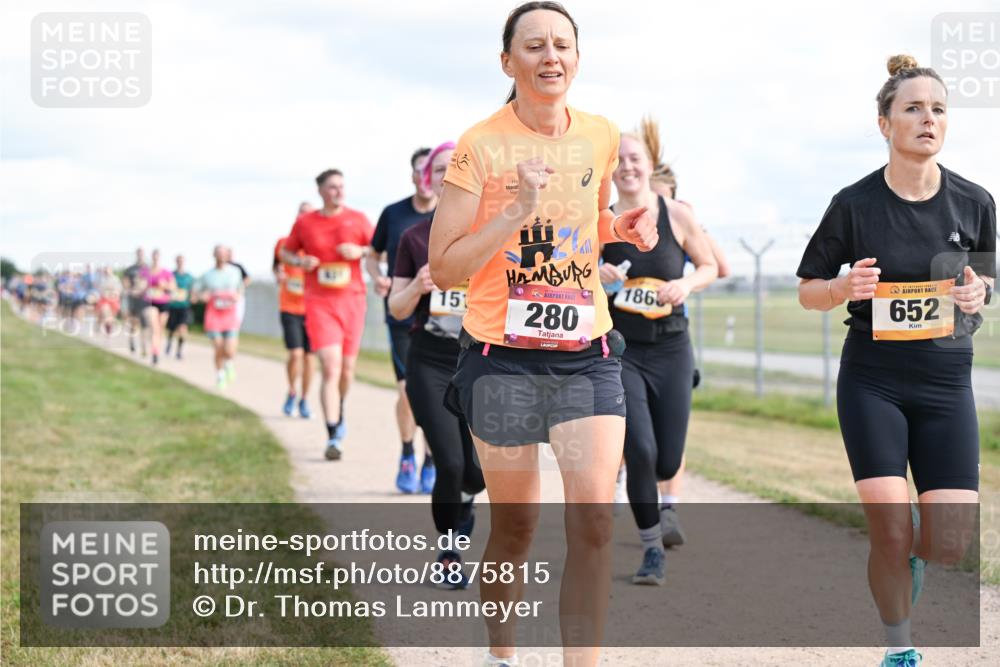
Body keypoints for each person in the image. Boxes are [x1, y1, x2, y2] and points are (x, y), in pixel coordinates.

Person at [428, 4, 657, 665]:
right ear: (508, 62)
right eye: (534, 46)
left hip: (588, 357)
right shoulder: (481, 144)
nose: (550, 55)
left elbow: (590, 218)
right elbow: (446, 265)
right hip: (502, 361)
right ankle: (501, 653)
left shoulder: (600, 134)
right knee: (518, 525)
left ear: (578, 58)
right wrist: (516, 213)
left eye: (562, 44)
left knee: (592, 521)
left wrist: (623, 227)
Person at [797, 55, 993, 667]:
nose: (927, 119)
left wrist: (978, 293)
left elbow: (986, 283)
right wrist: (840, 288)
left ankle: (913, 550)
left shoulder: (975, 201)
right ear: (884, 123)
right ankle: (900, 647)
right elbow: (807, 288)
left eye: (937, 109)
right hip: (873, 383)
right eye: (912, 108)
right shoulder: (853, 204)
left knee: (949, 543)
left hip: (945, 385)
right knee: (888, 526)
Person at [601, 117, 717, 584]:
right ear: (610, 170)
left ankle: (651, 495)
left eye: (635, 159)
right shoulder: (600, 222)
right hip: (621, 351)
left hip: (671, 348)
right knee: (642, 450)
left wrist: (685, 283)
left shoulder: (677, 215)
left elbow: (709, 264)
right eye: (620, 161)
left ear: (650, 166)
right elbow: (569, 279)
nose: (627, 167)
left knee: (668, 459)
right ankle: (652, 550)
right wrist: (596, 276)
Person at [389, 141, 485, 583]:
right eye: (441, 170)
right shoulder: (413, 237)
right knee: (449, 462)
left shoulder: (490, 232)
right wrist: (419, 288)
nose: (450, 177)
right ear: (429, 180)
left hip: (483, 363)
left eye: (457, 169)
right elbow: (396, 308)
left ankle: (463, 498)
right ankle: (448, 554)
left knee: (478, 473)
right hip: (430, 361)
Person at [282, 169, 374, 461]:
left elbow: (378, 251)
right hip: (319, 301)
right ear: (320, 190)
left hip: (353, 300)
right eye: (332, 187)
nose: (338, 191)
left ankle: (340, 406)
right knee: (330, 365)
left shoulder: (358, 218)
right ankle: (333, 433)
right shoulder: (305, 222)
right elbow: (286, 253)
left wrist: (359, 251)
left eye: (341, 186)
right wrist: (300, 260)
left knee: (347, 369)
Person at [367, 147, 438, 494]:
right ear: (415, 176)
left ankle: (431, 459)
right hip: (402, 313)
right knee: (408, 390)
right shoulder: (393, 214)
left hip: (442, 317)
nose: (428, 178)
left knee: (437, 393)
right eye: (422, 171)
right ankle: (408, 452)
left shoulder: (451, 215)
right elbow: (372, 254)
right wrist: (376, 277)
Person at [275, 228, 315, 419]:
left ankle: (304, 399)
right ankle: (292, 391)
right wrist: (278, 275)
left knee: (309, 358)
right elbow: (276, 266)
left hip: (314, 309)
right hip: (290, 307)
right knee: (296, 354)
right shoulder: (284, 242)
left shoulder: (318, 243)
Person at [195, 245, 245, 388]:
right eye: (219, 254)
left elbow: (241, 288)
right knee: (218, 347)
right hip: (214, 315)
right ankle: (220, 375)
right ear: (214, 255)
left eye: (224, 254)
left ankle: (229, 363)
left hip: (230, 314)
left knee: (229, 349)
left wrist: (238, 295)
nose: (222, 257)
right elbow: (196, 291)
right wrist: (201, 296)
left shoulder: (235, 272)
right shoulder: (208, 275)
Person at [140, 249, 175, 366]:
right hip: (150, 302)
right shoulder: (145, 272)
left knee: (160, 329)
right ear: (151, 257)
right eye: (154, 256)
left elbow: (173, 287)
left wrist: (164, 285)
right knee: (154, 327)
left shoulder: (166, 272)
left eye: (157, 256)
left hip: (163, 303)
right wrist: (143, 287)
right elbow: (139, 285)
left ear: (159, 258)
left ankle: (157, 349)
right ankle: (154, 353)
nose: (155, 258)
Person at [165, 254, 195, 360]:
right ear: (176, 261)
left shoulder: (189, 277)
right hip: (173, 305)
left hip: (184, 306)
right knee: (172, 329)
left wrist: (192, 297)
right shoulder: (171, 275)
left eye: (182, 260)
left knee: (182, 329)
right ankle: (169, 342)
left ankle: (179, 351)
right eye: (178, 260)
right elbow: (166, 288)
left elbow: (192, 290)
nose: (180, 262)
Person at [122, 248, 148, 356]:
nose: (140, 255)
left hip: (144, 299)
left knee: (144, 323)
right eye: (139, 253)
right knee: (133, 322)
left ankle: (143, 346)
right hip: (132, 299)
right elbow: (125, 282)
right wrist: (130, 290)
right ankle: (132, 341)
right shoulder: (130, 269)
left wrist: (141, 290)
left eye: (142, 254)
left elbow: (149, 282)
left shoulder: (147, 268)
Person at [95, 266, 123, 336]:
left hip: (114, 299)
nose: (107, 272)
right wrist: (106, 293)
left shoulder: (116, 279)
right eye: (105, 271)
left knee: (111, 316)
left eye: (108, 271)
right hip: (104, 299)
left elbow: (118, 289)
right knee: (105, 312)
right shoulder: (102, 280)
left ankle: (108, 327)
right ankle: (106, 329)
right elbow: (101, 289)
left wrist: (113, 294)